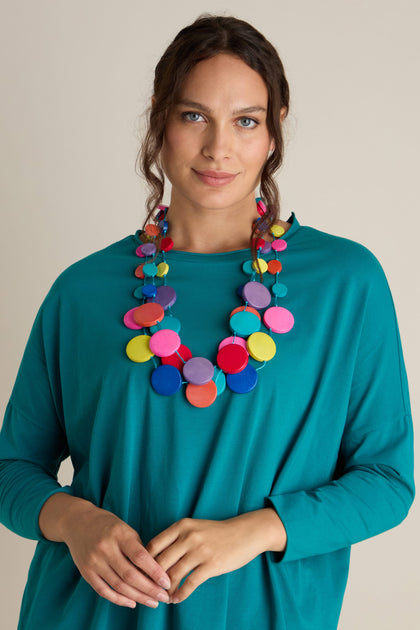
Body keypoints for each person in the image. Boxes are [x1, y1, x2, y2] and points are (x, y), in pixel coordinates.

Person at [0, 13, 415, 630]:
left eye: (246, 121)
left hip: (259, 613)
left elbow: (387, 480)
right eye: (194, 116)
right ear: (160, 126)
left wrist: (257, 531)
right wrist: (75, 521)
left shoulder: (345, 282)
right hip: (87, 614)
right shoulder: (81, 291)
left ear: (273, 137)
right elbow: (14, 470)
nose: (219, 147)